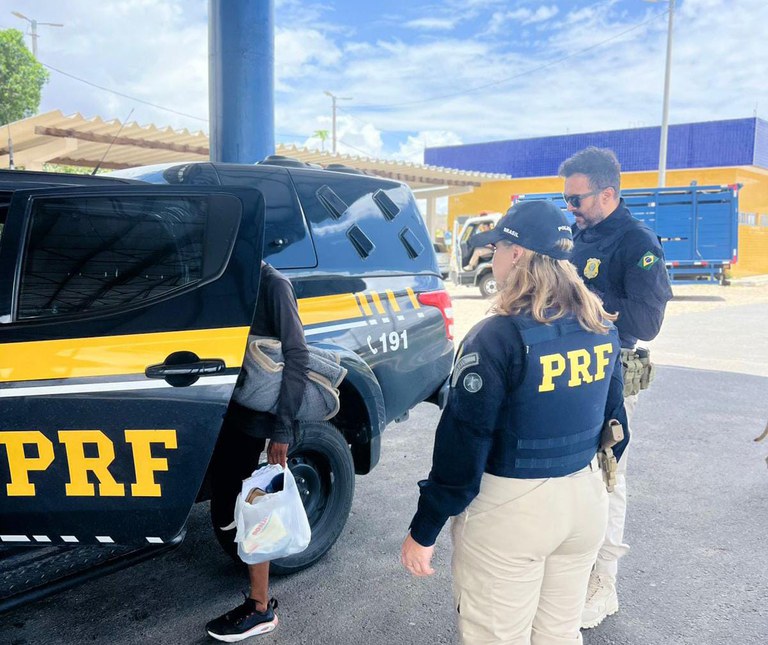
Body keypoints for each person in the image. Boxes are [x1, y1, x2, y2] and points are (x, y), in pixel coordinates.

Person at [401, 200, 628, 645]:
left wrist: (424, 529)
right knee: (559, 634)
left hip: (513, 510)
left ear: (518, 254)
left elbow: (463, 443)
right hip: (585, 501)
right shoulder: (599, 324)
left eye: (498, 248)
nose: (494, 258)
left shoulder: (497, 336)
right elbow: (615, 422)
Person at [558, 147, 673, 629]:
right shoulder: (578, 235)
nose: (571, 208)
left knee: (608, 474)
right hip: (569, 369)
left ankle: (603, 582)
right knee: (572, 473)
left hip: (614, 376)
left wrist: (585, 297)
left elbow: (647, 322)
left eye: (577, 199)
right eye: (566, 200)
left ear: (607, 194)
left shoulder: (636, 241)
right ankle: (573, 571)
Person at [206, 261, 310, 642]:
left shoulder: (273, 285)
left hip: (259, 419)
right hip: (230, 410)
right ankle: (253, 564)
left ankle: (260, 607)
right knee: (228, 509)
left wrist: (281, 430)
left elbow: (298, 355)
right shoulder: (228, 277)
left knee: (256, 509)